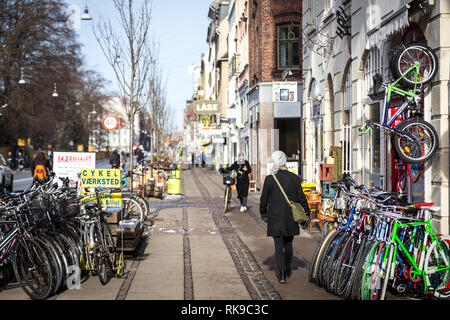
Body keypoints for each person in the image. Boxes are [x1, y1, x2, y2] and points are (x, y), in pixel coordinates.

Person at [259, 150, 310, 283]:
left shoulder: (270, 179)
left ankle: (281, 273)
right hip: (290, 217)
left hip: (275, 217)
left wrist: (263, 213)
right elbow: (301, 198)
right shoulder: (294, 178)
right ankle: (287, 269)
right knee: (288, 244)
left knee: (278, 245)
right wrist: (307, 213)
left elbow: (264, 199)